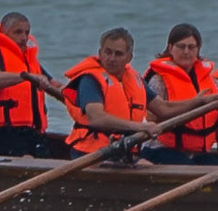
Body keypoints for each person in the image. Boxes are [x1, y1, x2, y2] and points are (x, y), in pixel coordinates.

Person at [0, 12, 66, 158]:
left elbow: (54, 84)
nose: (24, 38)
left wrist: (78, 96)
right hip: (1, 130)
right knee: (28, 162)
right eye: (18, 32)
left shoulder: (28, 59)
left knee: (44, 161)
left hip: (32, 130)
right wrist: (25, 77)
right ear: (4, 33)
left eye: (27, 32)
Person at [142, 23, 218, 165]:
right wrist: (196, 103)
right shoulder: (158, 80)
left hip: (196, 152)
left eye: (191, 47)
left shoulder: (210, 81)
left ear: (198, 50)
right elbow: (153, 116)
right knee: (188, 168)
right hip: (161, 148)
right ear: (170, 48)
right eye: (181, 46)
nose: (186, 51)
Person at [61, 27, 160, 158]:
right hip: (91, 154)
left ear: (129, 58)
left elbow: (164, 108)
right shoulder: (90, 79)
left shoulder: (135, 79)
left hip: (123, 150)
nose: (111, 58)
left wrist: (196, 101)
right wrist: (139, 127)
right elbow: (97, 118)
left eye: (118, 54)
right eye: (108, 52)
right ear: (100, 53)